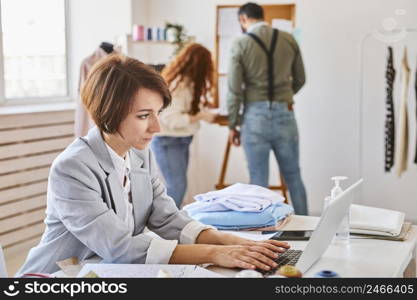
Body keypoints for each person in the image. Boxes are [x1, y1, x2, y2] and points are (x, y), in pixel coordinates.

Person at [16, 54, 290, 276]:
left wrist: (229, 241)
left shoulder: (139, 154)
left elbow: (167, 217)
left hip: (109, 273)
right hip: (58, 277)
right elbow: (120, 246)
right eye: (144, 115)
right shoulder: (72, 168)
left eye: (157, 114)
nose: (157, 127)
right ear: (109, 112)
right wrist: (215, 253)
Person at [227, 2, 308, 215]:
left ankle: (264, 236)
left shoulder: (240, 44)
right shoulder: (288, 39)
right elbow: (300, 78)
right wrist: (284, 96)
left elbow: (234, 89)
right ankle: (307, 230)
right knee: (293, 176)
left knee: (258, 180)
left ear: (243, 19)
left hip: (254, 118)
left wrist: (233, 124)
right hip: (285, 114)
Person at [151, 43, 216, 207]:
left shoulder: (185, 82)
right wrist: (201, 115)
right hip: (169, 141)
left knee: (177, 186)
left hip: (177, 141)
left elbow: (182, 109)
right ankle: (166, 228)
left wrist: (201, 110)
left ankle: (169, 226)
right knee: (177, 187)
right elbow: (172, 119)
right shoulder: (179, 85)